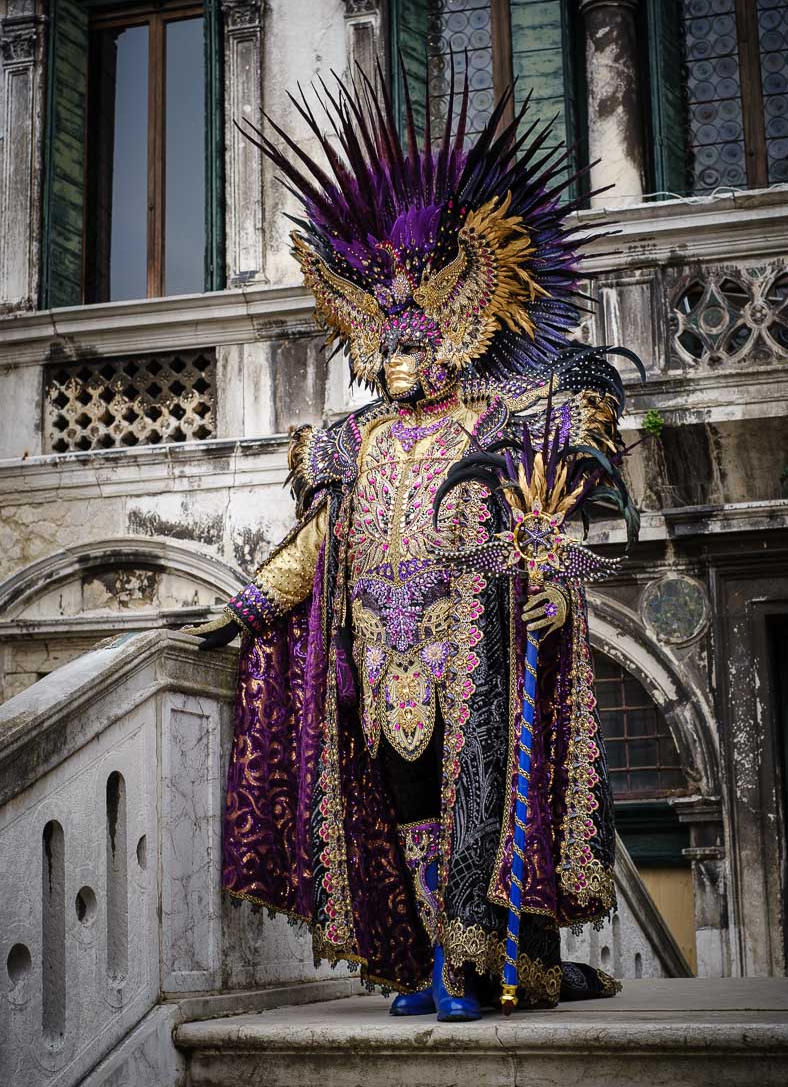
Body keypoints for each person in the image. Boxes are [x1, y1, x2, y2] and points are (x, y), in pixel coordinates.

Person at [189, 67, 637, 1020]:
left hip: (469, 643)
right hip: (377, 650)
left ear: (451, 336)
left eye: (409, 341)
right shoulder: (348, 443)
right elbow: (319, 541)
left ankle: (481, 969)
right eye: (380, 344)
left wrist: (549, 587)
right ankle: (444, 959)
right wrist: (244, 610)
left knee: (477, 800)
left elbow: (541, 522)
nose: (392, 360)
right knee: (409, 813)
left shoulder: (498, 423)